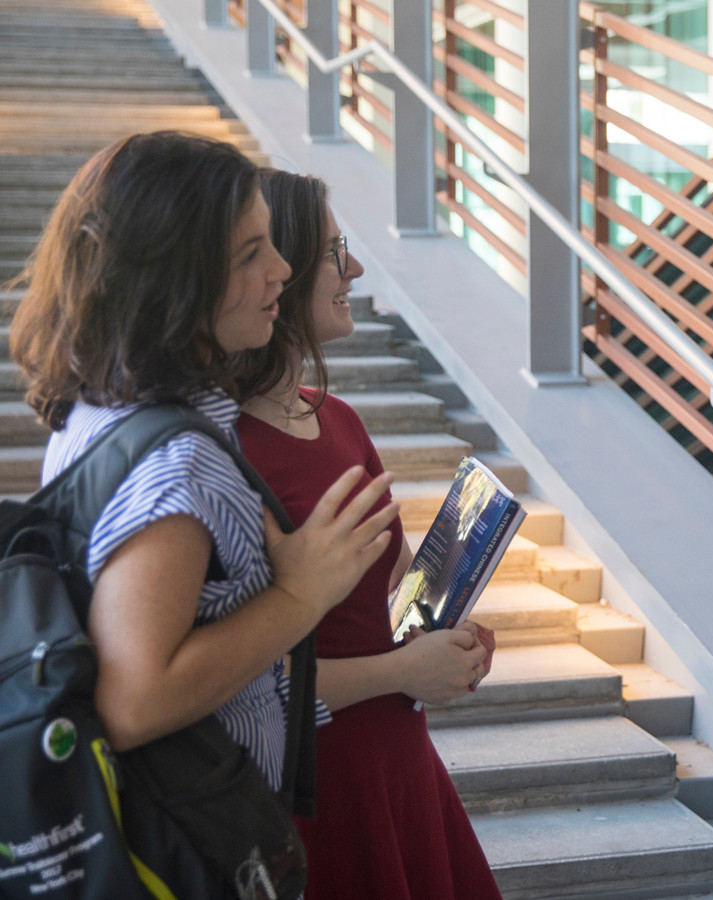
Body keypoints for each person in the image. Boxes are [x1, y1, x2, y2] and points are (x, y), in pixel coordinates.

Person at [10, 131, 398, 791]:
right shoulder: (180, 462)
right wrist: (299, 592)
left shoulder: (104, 408)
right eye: (251, 252)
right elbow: (137, 701)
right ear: (176, 280)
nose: (281, 268)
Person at [232, 170, 502, 900]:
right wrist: (400, 674)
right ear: (277, 270)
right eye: (333, 251)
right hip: (319, 784)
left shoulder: (341, 418)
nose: (352, 268)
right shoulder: (229, 454)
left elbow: (396, 583)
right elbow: (244, 681)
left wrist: (446, 631)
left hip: (399, 761)